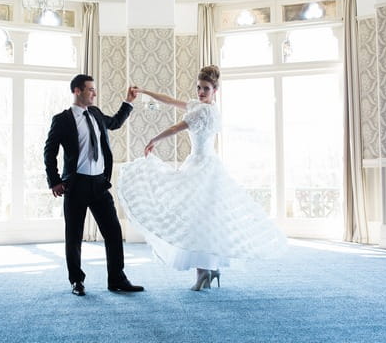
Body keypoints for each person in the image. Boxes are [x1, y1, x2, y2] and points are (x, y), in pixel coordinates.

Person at [117, 65, 286, 291]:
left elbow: (178, 127)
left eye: (206, 88)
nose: (201, 92)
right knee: (202, 219)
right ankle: (209, 270)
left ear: (215, 90)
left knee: (198, 221)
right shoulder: (202, 106)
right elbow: (169, 101)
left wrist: (154, 140)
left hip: (202, 169)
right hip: (202, 166)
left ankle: (204, 272)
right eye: (199, 87)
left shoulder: (204, 111)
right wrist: (146, 92)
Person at [44, 74, 144, 296]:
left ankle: (117, 278)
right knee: (74, 235)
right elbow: (49, 152)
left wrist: (128, 101)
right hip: (76, 184)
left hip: (99, 184)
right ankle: (76, 281)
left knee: (113, 231)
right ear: (77, 91)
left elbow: (115, 123)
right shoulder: (62, 120)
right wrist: (55, 180)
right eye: (90, 89)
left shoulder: (96, 114)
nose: (94, 93)